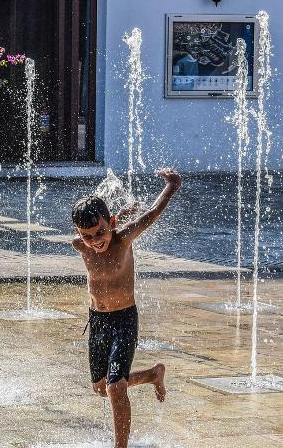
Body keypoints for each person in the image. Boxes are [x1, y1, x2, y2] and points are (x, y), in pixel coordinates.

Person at [71, 168, 181, 448]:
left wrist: (171, 186)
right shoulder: (80, 246)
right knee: (101, 388)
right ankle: (153, 374)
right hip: (97, 320)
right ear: (79, 234)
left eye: (101, 232)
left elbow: (152, 214)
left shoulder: (122, 239)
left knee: (115, 388)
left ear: (112, 223)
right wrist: (124, 210)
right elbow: (97, 230)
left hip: (123, 320)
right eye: (88, 236)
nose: (96, 240)